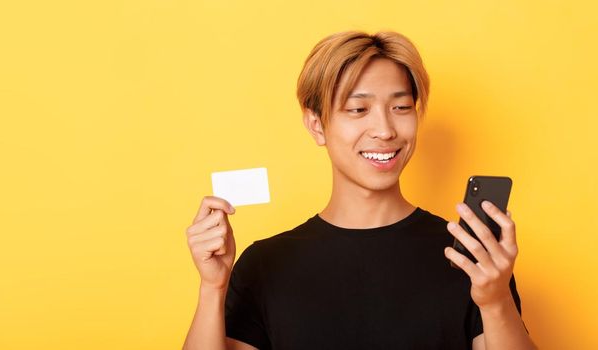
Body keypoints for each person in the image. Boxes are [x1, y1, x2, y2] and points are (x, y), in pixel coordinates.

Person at [182, 31, 536, 349]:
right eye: (358, 109)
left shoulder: (470, 257)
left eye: (401, 107)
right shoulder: (264, 265)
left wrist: (495, 301)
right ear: (316, 125)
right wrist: (212, 289)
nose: (384, 130)